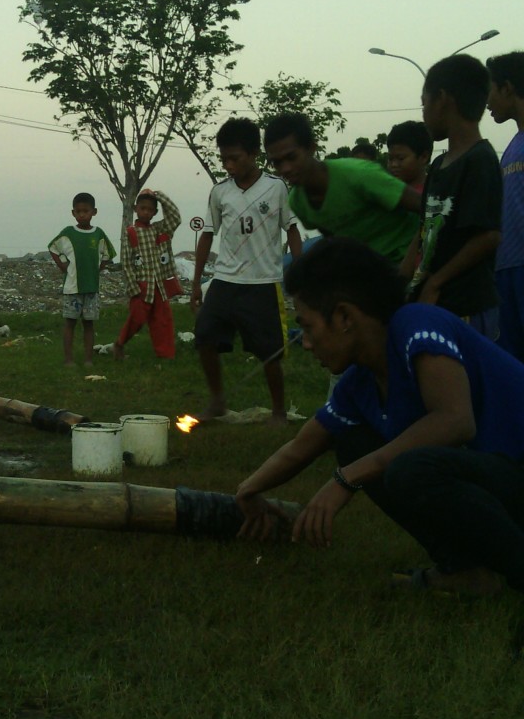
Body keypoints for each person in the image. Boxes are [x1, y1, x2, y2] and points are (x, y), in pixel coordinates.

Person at [236, 237, 524, 595]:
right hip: (502, 480)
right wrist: (248, 491)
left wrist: (346, 480)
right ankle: (465, 569)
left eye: (308, 327)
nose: (305, 342)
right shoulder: (360, 382)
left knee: (412, 469)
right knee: (354, 442)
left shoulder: (417, 323)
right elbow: (301, 446)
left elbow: (454, 420)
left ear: (344, 317)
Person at [191, 118, 303, 423]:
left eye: (234, 158)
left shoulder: (275, 187)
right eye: (224, 158)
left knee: (269, 352)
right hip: (225, 280)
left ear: (253, 153)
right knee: (204, 336)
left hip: (263, 282)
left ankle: (279, 410)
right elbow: (208, 234)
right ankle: (217, 402)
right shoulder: (219, 192)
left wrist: (301, 270)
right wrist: (196, 281)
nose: (228, 165)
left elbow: (292, 229)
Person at [405, 54, 502, 339]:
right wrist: (403, 275)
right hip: (435, 301)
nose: (423, 114)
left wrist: (436, 282)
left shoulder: (480, 160)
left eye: (424, 104)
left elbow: (488, 237)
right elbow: (425, 229)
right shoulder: (438, 165)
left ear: (442, 99)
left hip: (466, 305)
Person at [263, 112, 421, 266]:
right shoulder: (298, 202)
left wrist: (411, 265)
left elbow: (428, 209)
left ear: (311, 148)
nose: (285, 168)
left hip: (412, 263)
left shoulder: (358, 174)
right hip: (372, 273)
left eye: (291, 157)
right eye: (277, 163)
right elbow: (335, 240)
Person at [48, 192, 117, 367]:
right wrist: (62, 266)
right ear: (73, 213)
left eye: (85, 211)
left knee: (89, 325)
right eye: (78, 211)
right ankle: (69, 359)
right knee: (70, 323)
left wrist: (100, 267)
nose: (82, 214)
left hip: (91, 288)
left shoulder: (98, 234)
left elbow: (108, 253)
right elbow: (53, 248)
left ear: (94, 212)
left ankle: (88, 359)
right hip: (72, 288)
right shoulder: (68, 233)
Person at [113, 189, 182, 360]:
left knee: (162, 320)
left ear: (155, 212)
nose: (146, 212)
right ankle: (120, 343)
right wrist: (132, 286)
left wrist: (159, 195)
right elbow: (127, 262)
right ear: (136, 209)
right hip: (142, 285)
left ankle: (165, 354)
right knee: (137, 318)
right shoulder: (130, 232)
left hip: (159, 285)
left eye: (150, 209)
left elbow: (175, 217)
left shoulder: (160, 229)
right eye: (142, 208)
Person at [487, 51, 524, 360]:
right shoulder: (511, 147)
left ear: (508, 88)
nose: (486, 102)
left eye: (490, 90)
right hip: (507, 269)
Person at [385, 121, 432, 193]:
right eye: (390, 159)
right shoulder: (386, 193)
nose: (393, 164)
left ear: (424, 157)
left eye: (400, 158)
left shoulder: (433, 194)